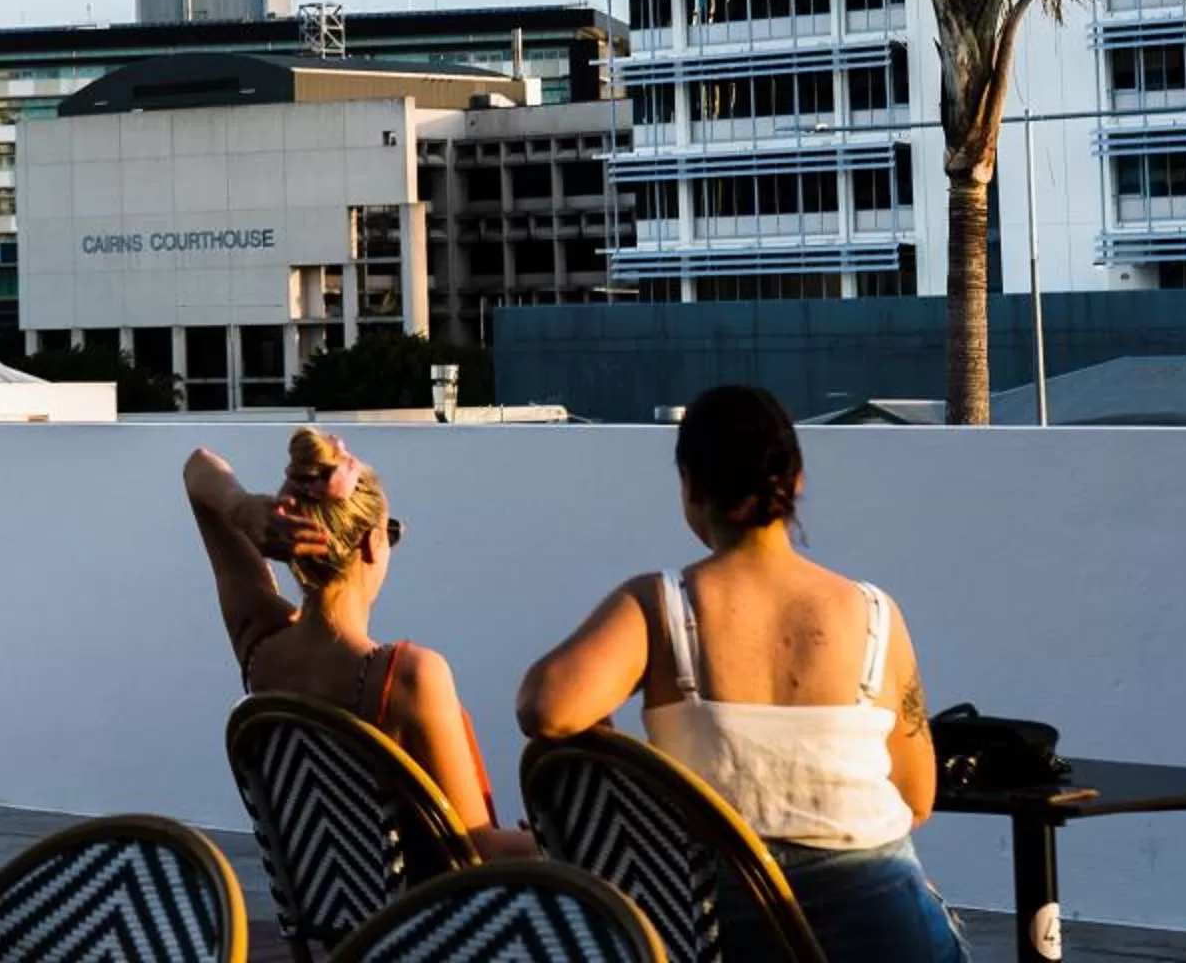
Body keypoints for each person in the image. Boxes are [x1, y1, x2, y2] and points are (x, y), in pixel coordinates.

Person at [516, 385, 966, 963]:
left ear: (690, 486)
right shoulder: (876, 614)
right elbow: (916, 797)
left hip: (726, 929)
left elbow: (544, 708)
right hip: (885, 924)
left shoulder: (662, 607)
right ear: (796, 479)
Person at [187, 429, 528, 858]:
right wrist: (554, 841)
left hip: (332, 923)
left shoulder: (260, 649)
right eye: (392, 531)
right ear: (371, 543)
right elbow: (480, 851)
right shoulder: (409, 676)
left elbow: (198, 469)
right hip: (427, 918)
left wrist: (240, 508)